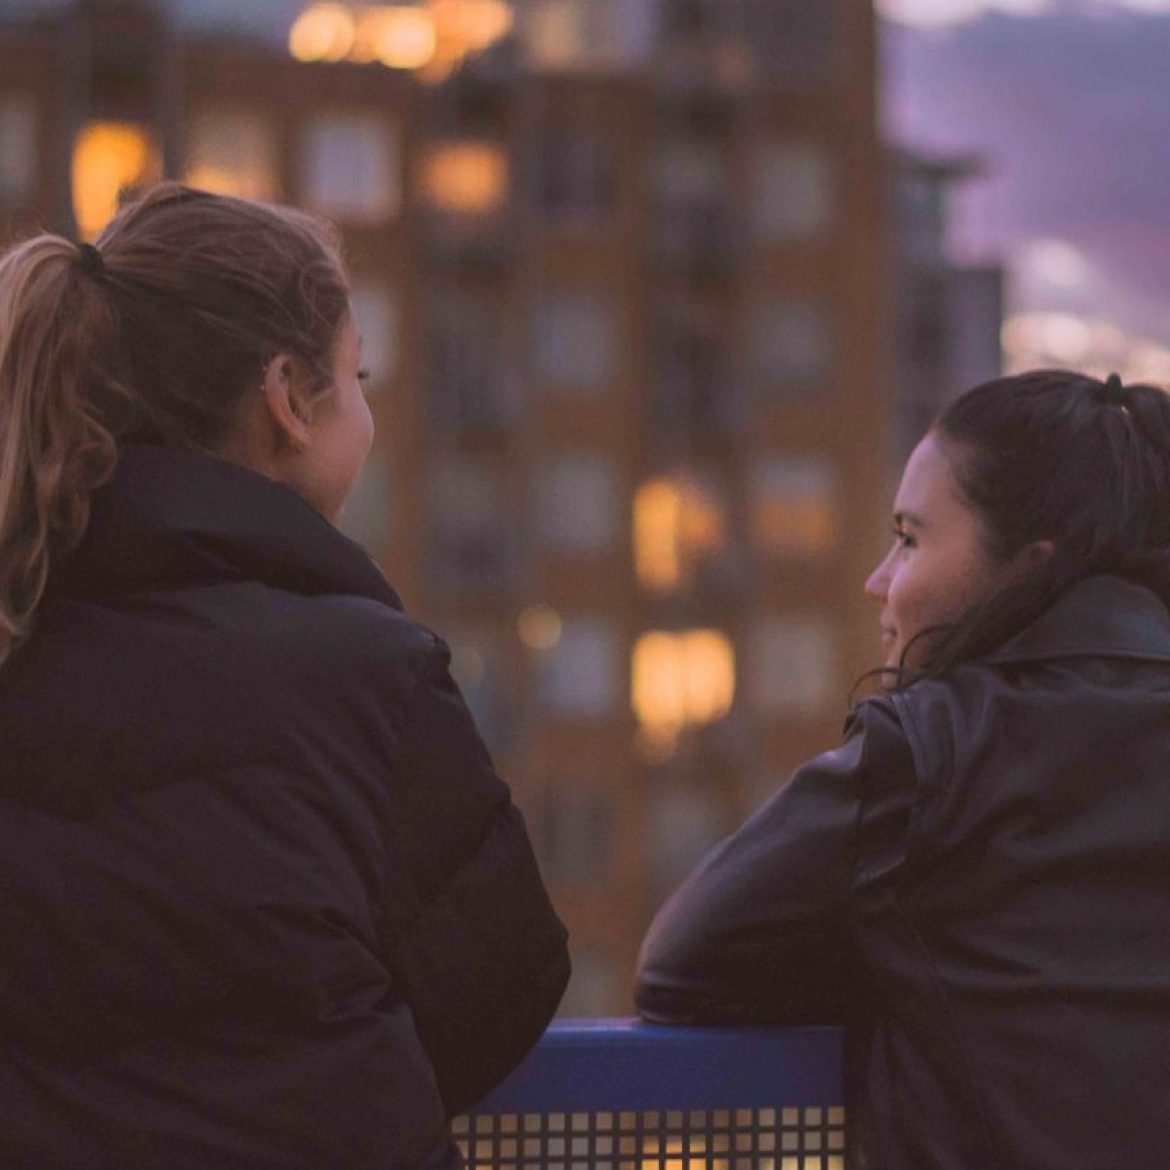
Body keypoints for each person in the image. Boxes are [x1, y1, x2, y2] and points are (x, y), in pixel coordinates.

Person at [0, 183, 569, 1169]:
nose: (371, 415)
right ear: (285, 400)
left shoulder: (17, 640)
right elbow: (503, 984)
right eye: (357, 378)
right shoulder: (370, 679)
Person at [636, 370, 1170, 1170]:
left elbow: (681, 969)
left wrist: (907, 979)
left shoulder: (930, 750)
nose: (878, 580)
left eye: (911, 538)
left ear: (1027, 567)